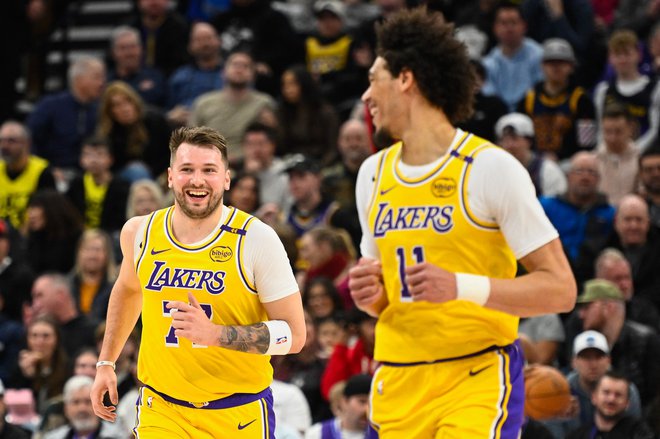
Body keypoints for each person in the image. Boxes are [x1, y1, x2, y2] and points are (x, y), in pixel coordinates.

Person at [348, 8, 576, 438]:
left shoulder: (490, 168)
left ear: (405, 79)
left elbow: (561, 289)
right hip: (397, 378)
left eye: (373, 78)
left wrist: (460, 287)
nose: (365, 96)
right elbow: (387, 298)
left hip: (477, 373)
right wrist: (372, 297)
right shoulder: (372, 174)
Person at [90, 126, 305, 437]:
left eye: (209, 170)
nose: (197, 180)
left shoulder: (256, 239)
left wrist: (217, 334)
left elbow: (294, 336)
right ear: (170, 176)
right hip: (162, 409)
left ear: (227, 178)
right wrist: (106, 363)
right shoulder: (140, 232)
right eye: (186, 169)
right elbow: (127, 291)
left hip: (237, 413)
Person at [494, 112, 567, 197]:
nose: (509, 145)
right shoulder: (493, 171)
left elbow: (554, 206)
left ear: (529, 141)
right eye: (504, 140)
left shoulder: (547, 170)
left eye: (514, 139)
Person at [0, 120, 55, 230]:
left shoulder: (42, 171)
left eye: (11, 141)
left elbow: (49, 214)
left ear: (27, 143)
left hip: (30, 237)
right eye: (1, 140)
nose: (4, 146)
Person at [566, 371, 655, 439]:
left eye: (618, 395)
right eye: (606, 393)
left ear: (627, 403)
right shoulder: (578, 436)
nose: (611, 399)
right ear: (594, 397)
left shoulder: (640, 432)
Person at [43, 375, 124, 439]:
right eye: (76, 402)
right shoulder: (52, 437)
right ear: (66, 408)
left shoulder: (118, 436)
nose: (82, 408)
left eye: (88, 401)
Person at [107, 26, 167, 108]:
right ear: (113, 53)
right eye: (123, 48)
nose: (129, 53)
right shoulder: (106, 83)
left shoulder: (156, 77)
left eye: (133, 47)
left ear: (141, 50)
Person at [305, 374, 371, 439]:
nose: (367, 409)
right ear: (345, 401)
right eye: (362, 401)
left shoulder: (379, 434)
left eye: (371, 404)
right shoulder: (317, 433)